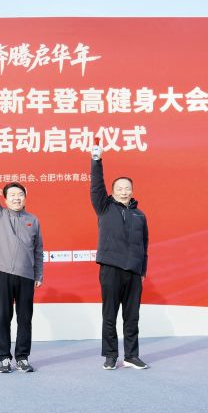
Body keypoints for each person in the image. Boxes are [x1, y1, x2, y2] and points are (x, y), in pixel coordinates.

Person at [0, 152, 43, 373]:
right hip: (2, 273)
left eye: (20, 195)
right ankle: (4, 358)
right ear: (6, 199)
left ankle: (22, 357)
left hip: (26, 275)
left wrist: (38, 274)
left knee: (25, 318)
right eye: (13, 195)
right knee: (3, 317)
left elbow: (38, 250)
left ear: (25, 197)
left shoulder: (33, 220)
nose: (17, 198)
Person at [89, 144, 149, 370]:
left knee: (132, 316)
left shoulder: (139, 215)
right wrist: (96, 160)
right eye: (120, 188)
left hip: (133, 271)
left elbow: (144, 245)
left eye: (128, 188)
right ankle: (111, 355)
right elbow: (96, 186)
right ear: (113, 191)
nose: (124, 191)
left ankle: (131, 355)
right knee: (110, 315)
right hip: (111, 268)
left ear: (132, 191)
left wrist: (142, 270)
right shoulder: (104, 207)